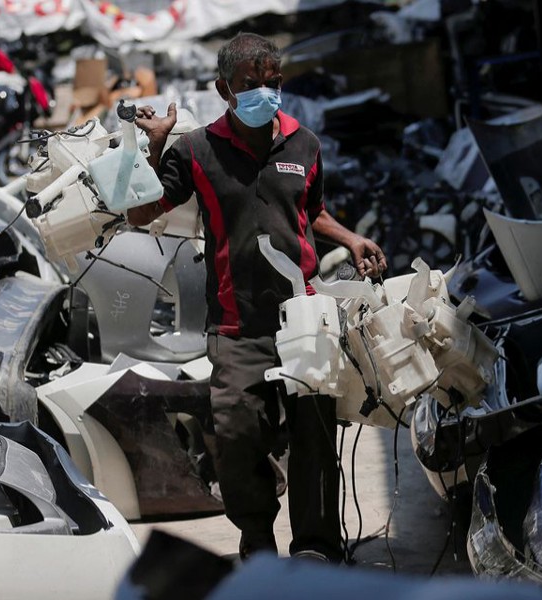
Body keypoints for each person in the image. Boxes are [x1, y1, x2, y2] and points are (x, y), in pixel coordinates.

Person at [128, 32, 387, 562]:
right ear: (225, 89)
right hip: (235, 324)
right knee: (237, 434)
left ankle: (316, 550)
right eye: (252, 85)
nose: (266, 93)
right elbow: (141, 214)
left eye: (274, 83)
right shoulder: (196, 150)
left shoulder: (304, 143)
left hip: (305, 320)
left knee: (316, 443)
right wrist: (156, 147)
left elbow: (309, 212)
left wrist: (351, 238)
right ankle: (257, 543)